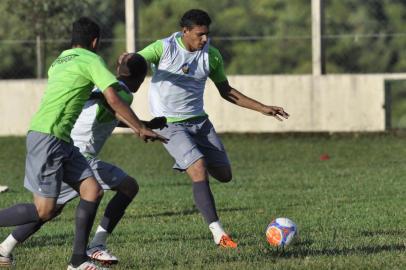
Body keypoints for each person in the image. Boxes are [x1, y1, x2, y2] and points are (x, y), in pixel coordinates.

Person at [0, 17, 165, 270]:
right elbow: (112, 98)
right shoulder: (92, 60)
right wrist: (140, 127)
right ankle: (91, 247)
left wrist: (141, 125)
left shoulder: (60, 60)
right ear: (95, 41)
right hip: (50, 136)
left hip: (61, 139)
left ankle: (78, 261)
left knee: (92, 190)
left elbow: (98, 102)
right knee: (45, 210)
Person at [137, 9, 289, 248]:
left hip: (200, 122)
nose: (205, 39)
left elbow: (225, 90)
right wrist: (125, 63)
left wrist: (262, 108)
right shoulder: (163, 48)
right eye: (200, 35)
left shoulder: (212, 55)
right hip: (168, 124)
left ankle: (192, 159)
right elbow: (135, 62)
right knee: (198, 169)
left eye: (207, 34)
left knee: (225, 175)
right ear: (185, 31)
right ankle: (219, 233)